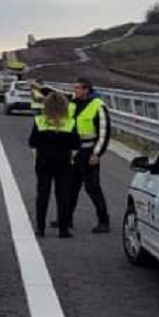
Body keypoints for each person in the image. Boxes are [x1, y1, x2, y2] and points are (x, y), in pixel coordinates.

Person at [61, 77, 111, 233]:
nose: (74, 90)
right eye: (74, 87)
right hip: (73, 153)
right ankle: (66, 219)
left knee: (92, 188)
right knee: (70, 188)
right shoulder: (72, 103)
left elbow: (104, 132)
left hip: (88, 153)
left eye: (77, 88)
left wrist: (97, 154)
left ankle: (104, 221)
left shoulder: (98, 105)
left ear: (86, 90)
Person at [28, 91, 79, 238]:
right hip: (63, 162)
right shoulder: (70, 122)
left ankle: (40, 229)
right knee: (63, 196)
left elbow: (32, 142)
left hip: (43, 161)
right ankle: (63, 230)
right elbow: (76, 145)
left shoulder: (39, 121)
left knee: (42, 195)